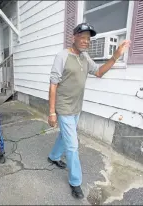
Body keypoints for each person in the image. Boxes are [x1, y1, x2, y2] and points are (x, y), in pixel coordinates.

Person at [47, 23, 130, 199]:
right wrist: (52, 112)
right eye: (83, 37)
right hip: (64, 108)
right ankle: (75, 182)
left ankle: (53, 156)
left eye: (88, 39)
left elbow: (99, 72)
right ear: (74, 37)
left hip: (77, 107)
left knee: (65, 136)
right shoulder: (62, 56)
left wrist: (115, 56)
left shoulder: (84, 57)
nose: (86, 41)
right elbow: (53, 84)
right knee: (72, 145)